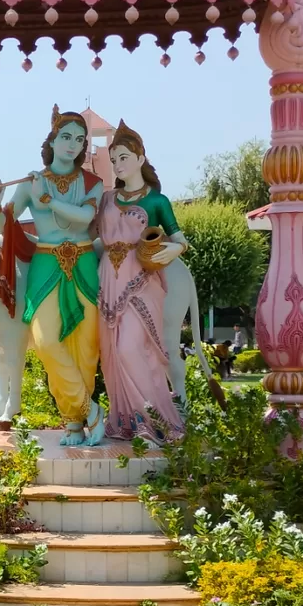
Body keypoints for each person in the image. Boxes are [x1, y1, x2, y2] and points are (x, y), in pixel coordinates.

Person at [0, 108, 106, 446]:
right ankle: (89, 410)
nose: (72, 145)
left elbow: (83, 220)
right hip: (45, 267)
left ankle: (73, 425)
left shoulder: (93, 184)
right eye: (65, 137)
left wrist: (48, 199)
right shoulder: (28, 183)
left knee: (85, 348)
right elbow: (5, 229)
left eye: (79, 139)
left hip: (83, 265)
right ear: (52, 140)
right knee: (48, 342)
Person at [96, 122, 186, 442]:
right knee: (111, 353)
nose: (118, 164)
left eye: (123, 157)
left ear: (140, 158)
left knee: (130, 347)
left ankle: (156, 419)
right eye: (114, 159)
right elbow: (95, 241)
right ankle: (128, 421)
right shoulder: (106, 200)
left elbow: (180, 239)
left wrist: (174, 248)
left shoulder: (158, 201)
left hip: (142, 279)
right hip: (107, 278)